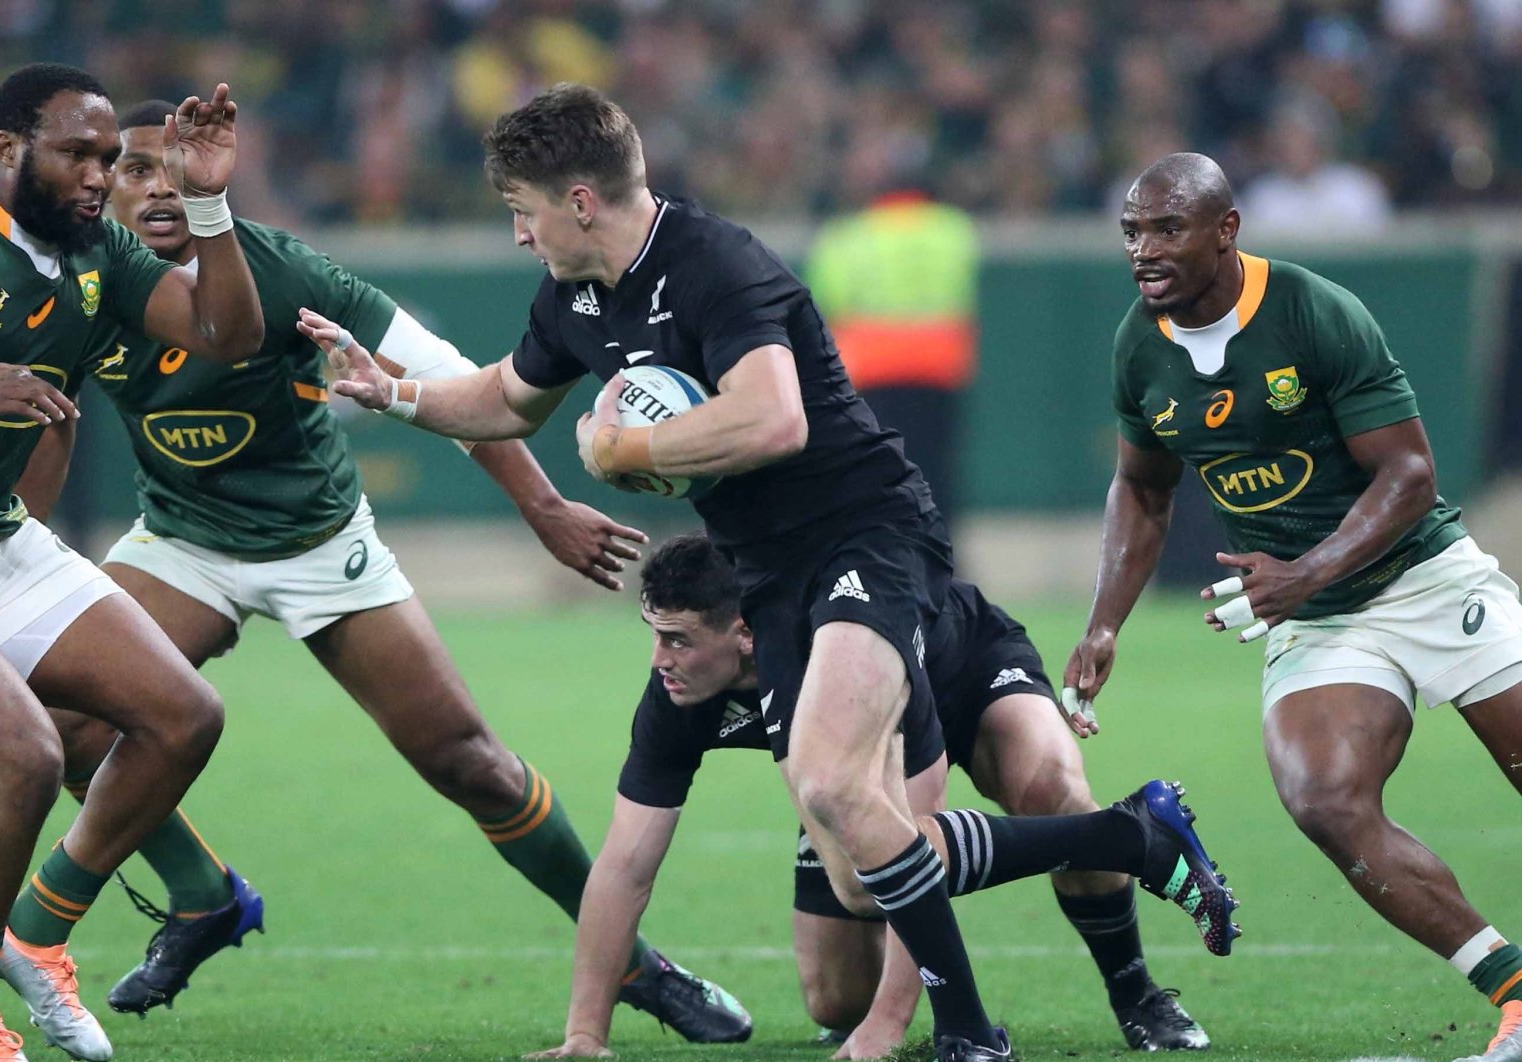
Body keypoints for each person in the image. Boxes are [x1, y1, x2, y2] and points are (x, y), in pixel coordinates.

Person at [322, 83, 1237, 1062]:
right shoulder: (573, 299)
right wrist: (396, 395)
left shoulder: (714, 265)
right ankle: (1126, 837)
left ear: (579, 202)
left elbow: (774, 418)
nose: (517, 236)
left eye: (521, 212)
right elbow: (506, 396)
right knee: (854, 873)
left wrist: (629, 454)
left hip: (865, 536)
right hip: (767, 578)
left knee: (840, 785)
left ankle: (971, 1033)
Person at [12, 100, 750, 1046]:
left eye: (171, 168)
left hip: (321, 546)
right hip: (182, 543)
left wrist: (543, 506)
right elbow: (43, 412)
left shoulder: (278, 270)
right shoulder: (83, 281)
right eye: (133, 169)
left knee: (471, 765)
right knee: (66, 720)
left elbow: (458, 387)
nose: (156, 187)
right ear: (102, 184)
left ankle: (637, 967)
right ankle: (202, 895)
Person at [1064, 151, 1522, 1062]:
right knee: (1323, 796)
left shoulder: (1314, 310)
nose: (1143, 250)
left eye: (1166, 229)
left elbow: (1410, 474)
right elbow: (1142, 490)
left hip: (1427, 580)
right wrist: (1106, 620)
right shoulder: (1138, 343)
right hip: (1317, 615)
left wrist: (1305, 571)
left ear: (1226, 230)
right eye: (1131, 231)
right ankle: (1515, 994)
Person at [534, 532, 1215, 1059]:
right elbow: (624, 865)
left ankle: (1137, 991)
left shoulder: (834, 662)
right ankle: (1124, 832)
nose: (660, 660)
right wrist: (585, 1032)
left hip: (963, 668)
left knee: (1052, 791)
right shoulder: (677, 696)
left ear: (745, 634)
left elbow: (918, 834)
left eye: (677, 640)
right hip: (848, 758)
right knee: (835, 1002)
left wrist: (891, 1026)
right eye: (656, 636)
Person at [0, 63, 265, 1062]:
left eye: (109, 159)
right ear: (4, 150)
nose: (98, 175)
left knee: (183, 715)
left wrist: (208, 206)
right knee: (27, 754)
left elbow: (228, 333)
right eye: (78, 153)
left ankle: (31, 937)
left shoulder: (97, 253)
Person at [803, 186, 978, 522]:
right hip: (939, 370)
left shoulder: (846, 238)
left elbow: (827, 304)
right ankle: (943, 554)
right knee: (937, 472)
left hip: (873, 372)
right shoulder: (952, 230)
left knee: (879, 472)